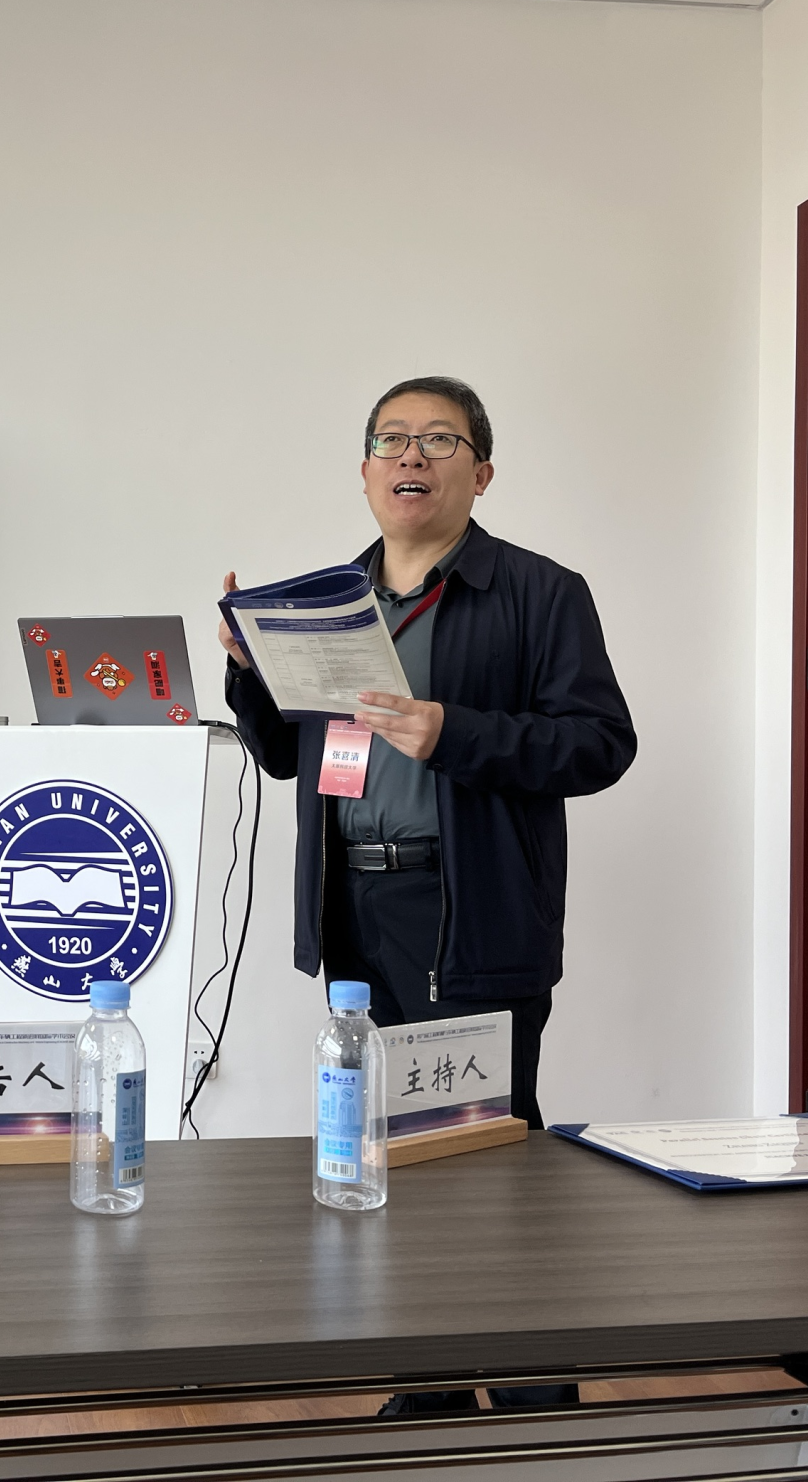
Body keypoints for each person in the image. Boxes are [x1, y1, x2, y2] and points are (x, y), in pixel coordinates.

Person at [220, 375, 635, 1415]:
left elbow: (599, 744)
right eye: (391, 439)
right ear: (364, 472)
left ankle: (537, 1398)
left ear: (480, 473)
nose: (412, 456)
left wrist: (457, 732)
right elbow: (290, 754)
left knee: (489, 1158)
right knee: (378, 1152)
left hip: (471, 910)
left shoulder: (538, 592)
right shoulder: (325, 602)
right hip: (352, 912)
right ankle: (432, 1384)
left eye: (440, 440)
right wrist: (250, 673)